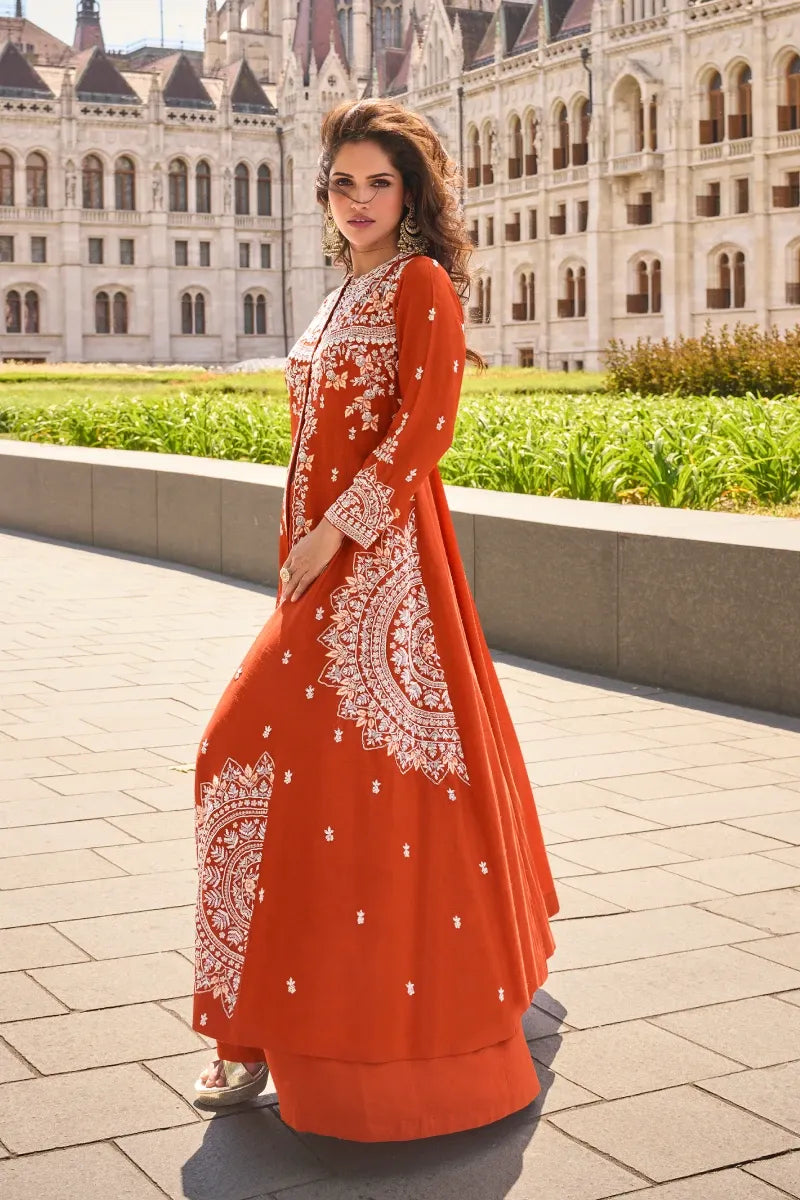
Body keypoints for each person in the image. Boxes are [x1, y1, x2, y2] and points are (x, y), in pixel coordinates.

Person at [192, 97, 559, 1142]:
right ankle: (252, 1031)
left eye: (377, 182)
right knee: (269, 776)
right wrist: (298, 549)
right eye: (342, 182)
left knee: (328, 790)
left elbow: (424, 427)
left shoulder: (419, 283)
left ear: (411, 193)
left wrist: (334, 537)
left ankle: (352, 1049)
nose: (356, 200)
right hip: (313, 573)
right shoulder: (338, 289)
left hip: (382, 577)